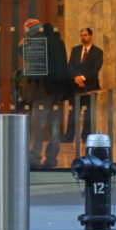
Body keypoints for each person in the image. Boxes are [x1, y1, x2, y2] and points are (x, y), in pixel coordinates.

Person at [19, 18, 69, 169]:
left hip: (42, 89)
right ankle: (52, 159)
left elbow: (32, 61)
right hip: (58, 90)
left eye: (27, 34)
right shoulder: (58, 41)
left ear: (30, 31)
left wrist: (22, 47)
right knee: (55, 127)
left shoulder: (37, 41)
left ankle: (34, 158)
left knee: (38, 125)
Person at [63, 27, 103, 144]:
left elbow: (96, 69)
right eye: (81, 35)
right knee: (73, 112)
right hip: (75, 86)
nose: (83, 37)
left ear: (91, 36)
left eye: (85, 35)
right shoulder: (75, 50)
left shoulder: (98, 52)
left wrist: (82, 78)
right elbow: (70, 66)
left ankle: (86, 137)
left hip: (90, 86)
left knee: (88, 113)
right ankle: (69, 136)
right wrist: (76, 78)